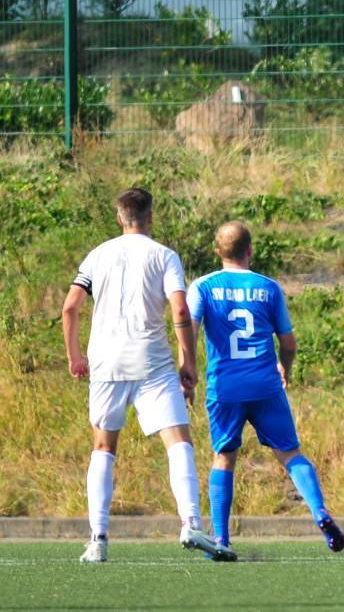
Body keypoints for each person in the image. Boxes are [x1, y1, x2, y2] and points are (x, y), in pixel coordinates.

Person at [61, 188, 235, 563]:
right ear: (150, 217)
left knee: (104, 447)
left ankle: (98, 539)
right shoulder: (164, 255)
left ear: (119, 218)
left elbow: (70, 307)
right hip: (152, 361)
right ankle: (190, 523)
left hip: (106, 361)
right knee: (178, 441)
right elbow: (179, 309)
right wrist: (188, 360)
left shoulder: (97, 255)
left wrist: (76, 356)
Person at [187, 221, 344, 555]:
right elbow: (288, 343)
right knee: (290, 453)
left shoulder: (202, 286)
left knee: (224, 458)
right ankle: (319, 511)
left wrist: (186, 367)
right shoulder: (269, 288)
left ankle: (221, 540)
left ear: (218, 251)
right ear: (250, 250)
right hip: (265, 384)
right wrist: (284, 370)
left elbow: (189, 328)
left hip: (225, 386)